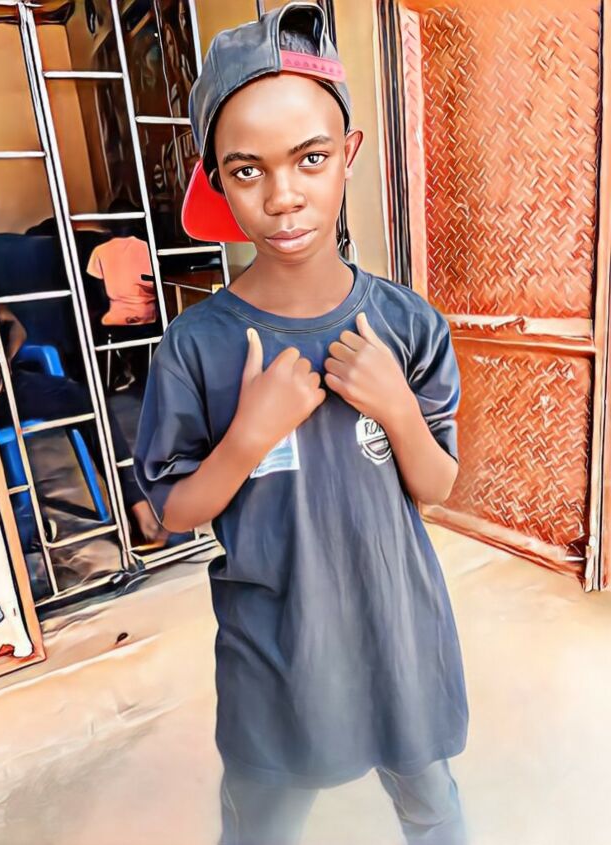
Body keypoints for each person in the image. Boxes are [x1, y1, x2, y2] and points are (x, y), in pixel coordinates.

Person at [133, 4, 470, 843]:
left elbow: (437, 482)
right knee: (262, 823)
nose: (283, 197)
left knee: (432, 808)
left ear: (347, 154)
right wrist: (249, 435)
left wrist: (396, 406)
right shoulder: (198, 345)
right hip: (276, 648)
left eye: (310, 158)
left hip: (397, 628)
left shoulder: (408, 324)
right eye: (247, 170)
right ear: (217, 180)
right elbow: (172, 508)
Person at [0, 296, 165, 546]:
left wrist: (4, 358)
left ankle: (138, 509)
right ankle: (15, 530)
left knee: (88, 399)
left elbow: (14, 324)